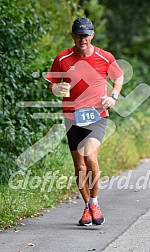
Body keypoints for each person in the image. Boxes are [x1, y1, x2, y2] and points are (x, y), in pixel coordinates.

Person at [45, 17, 124, 226]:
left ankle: (95, 202)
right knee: (79, 166)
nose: (83, 39)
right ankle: (87, 206)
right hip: (72, 117)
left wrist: (113, 97)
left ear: (92, 35)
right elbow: (51, 83)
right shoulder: (63, 58)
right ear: (73, 36)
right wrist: (55, 89)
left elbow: (119, 77)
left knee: (89, 157)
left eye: (86, 34)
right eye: (79, 34)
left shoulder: (104, 57)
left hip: (97, 115)